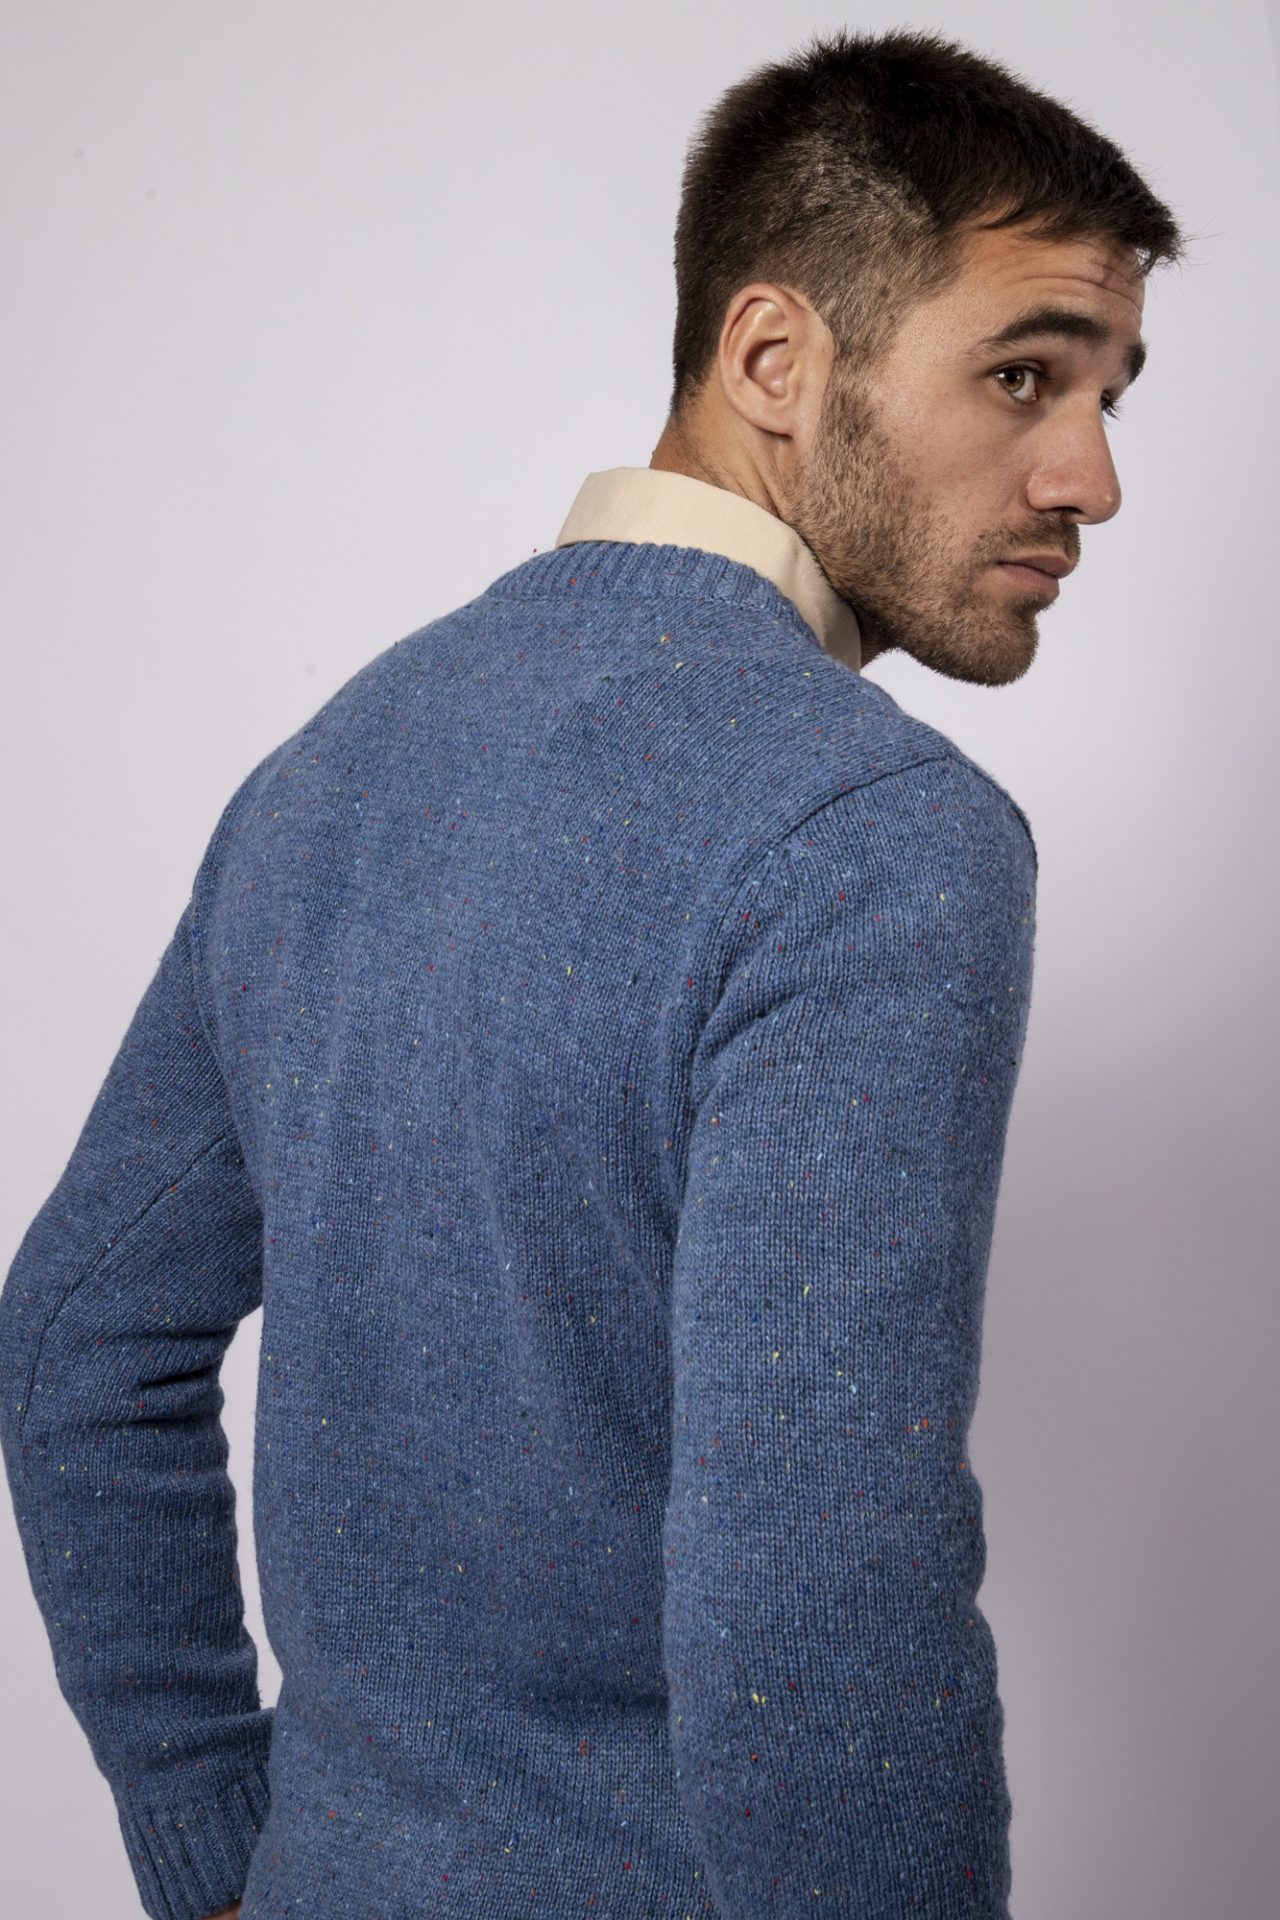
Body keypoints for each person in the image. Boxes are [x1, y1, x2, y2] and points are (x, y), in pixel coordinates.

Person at [0, 25, 1184, 1920]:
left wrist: (214, 1845)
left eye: (1115, 392)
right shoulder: (874, 831)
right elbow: (821, 1588)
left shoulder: (332, 768)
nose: (1094, 475)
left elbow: (77, 1333)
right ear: (775, 359)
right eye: (1025, 374)